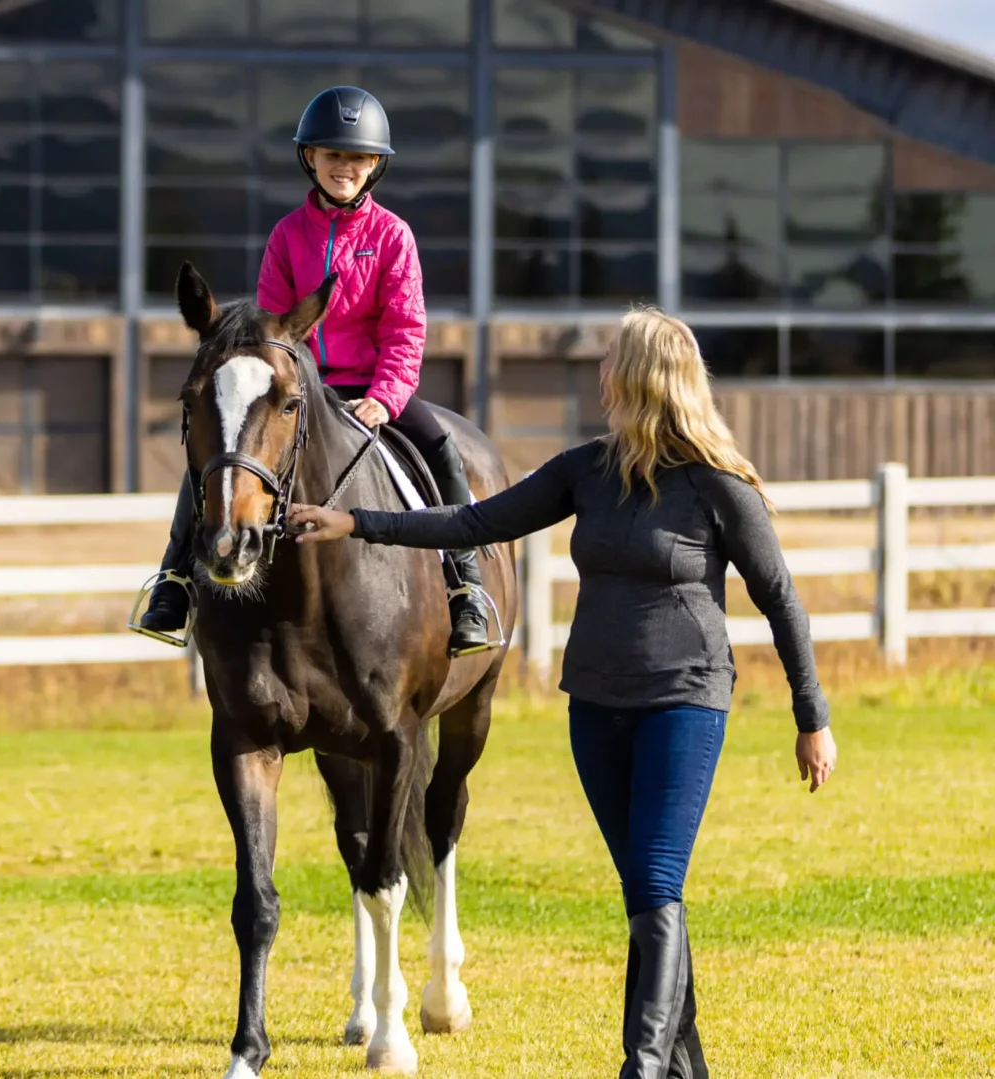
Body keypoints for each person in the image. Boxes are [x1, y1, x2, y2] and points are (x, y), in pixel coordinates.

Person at [287, 308, 841, 1079]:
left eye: (613, 356)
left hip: (685, 704)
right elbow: (475, 521)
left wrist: (811, 716)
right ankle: (687, 1066)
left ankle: (640, 1067)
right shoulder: (588, 469)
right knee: (652, 898)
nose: (601, 369)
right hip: (596, 709)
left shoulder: (717, 486)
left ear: (646, 375)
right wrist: (356, 521)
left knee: (654, 883)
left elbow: (781, 598)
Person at [132, 85, 495, 658]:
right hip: (295, 389)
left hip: (372, 389)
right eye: (332, 155)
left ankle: (465, 585)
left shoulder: (393, 237)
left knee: (442, 449)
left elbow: (405, 331)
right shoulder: (286, 236)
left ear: (374, 165)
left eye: (355, 158)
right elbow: (270, 330)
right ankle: (174, 582)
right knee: (217, 458)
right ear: (311, 159)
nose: (343, 167)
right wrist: (283, 385)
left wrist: (384, 398)